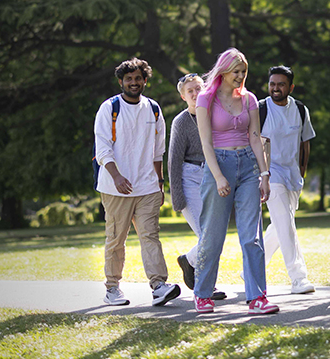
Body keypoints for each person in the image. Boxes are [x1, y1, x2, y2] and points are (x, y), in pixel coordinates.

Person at [193, 48, 279, 314]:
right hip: (218, 164)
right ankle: (203, 293)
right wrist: (218, 176)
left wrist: (264, 175)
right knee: (212, 234)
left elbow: (255, 138)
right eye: (236, 72)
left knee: (251, 236)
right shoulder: (205, 99)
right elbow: (205, 143)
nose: (241, 76)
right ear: (223, 71)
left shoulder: (250, 99)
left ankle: (257, 298)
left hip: (248, 167)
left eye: (244, 72)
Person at [94, 57, 181, 307]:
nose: (134, 82)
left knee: (150, 236)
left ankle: (158, 286)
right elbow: (103, 149)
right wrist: (117, 176)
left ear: (145, 81)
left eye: (138, 78)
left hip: (147, 187)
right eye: (129, 79)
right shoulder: (109, 108)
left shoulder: (153, 108)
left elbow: (157, 151)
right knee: (116, 239)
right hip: (115, 188)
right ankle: (112, 288)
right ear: (121, 81)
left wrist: (160, 183)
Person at [167, 73, 226, 300]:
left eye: (198, 88)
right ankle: (206, 286)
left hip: (213, 176)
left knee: (215, 234)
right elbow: (173, 161)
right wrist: (177, 197)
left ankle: (189, 260)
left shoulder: (215, 116)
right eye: (190, 90)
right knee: (207, 234)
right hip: (189, 177)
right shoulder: (181, 122)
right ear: (183, 96)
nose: (195, 93)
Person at [260, 65, 316, 294]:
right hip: (270, 175)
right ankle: (298, 278)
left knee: (281, 225)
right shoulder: (260, 108)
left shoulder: (301, 110)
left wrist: (302, 169)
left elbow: (305, 142)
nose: (276, 88)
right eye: (272, 84)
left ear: (290, 87)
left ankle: (253, 267)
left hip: (293, 175)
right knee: (286, 224)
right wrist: (261, 173)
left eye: (281, 84)